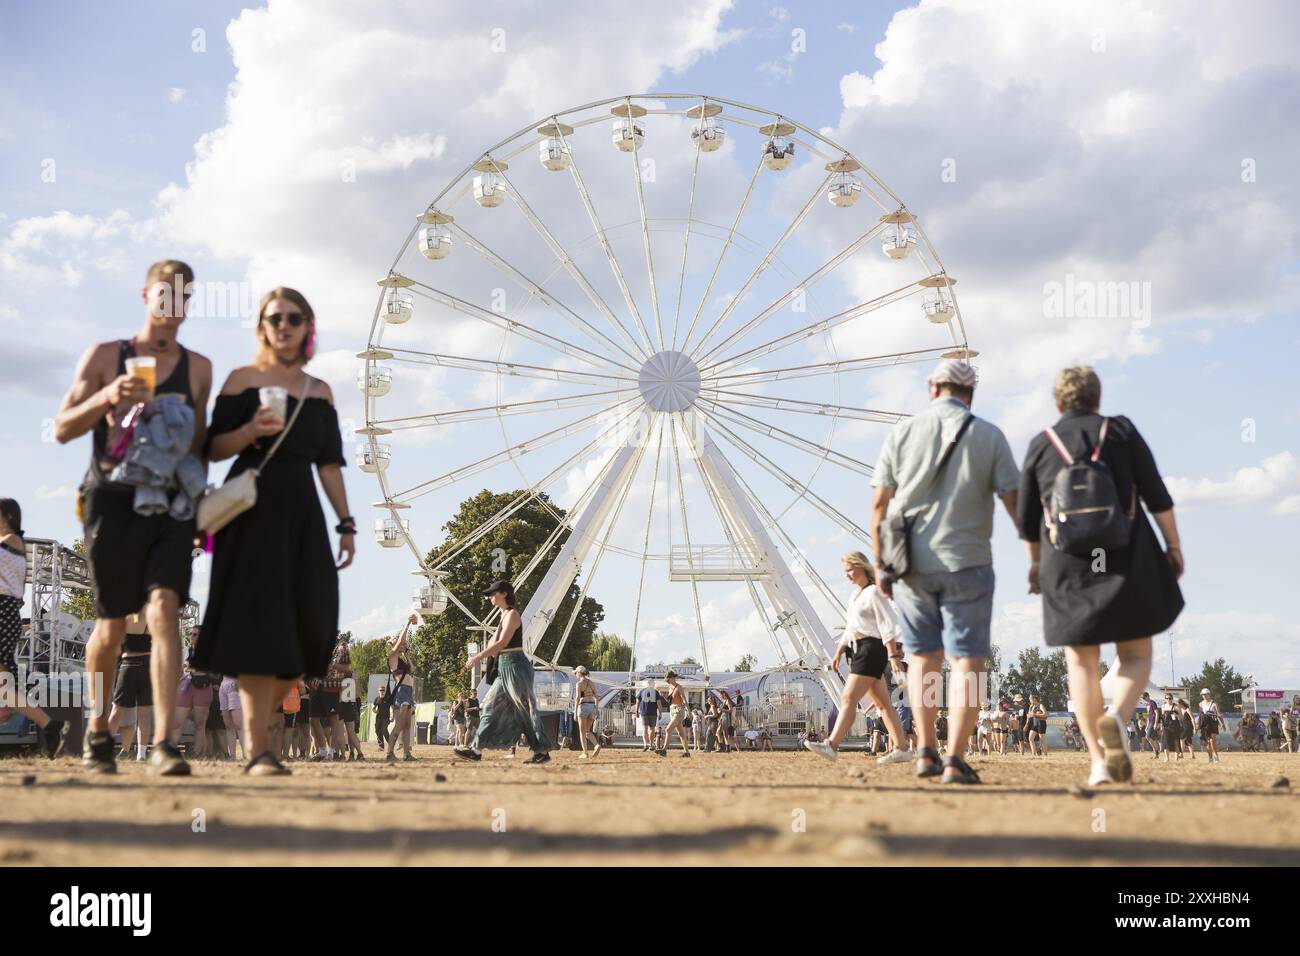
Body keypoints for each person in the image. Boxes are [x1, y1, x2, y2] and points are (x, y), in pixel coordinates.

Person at [54, 260, 214, 775]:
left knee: (166, 610)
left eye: (183, 297)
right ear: (145, 295)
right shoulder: (105, 356)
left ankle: (164, 743)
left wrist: (205, 510)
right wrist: (107, 395)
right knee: (111, 628)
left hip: (171, 504)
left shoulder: (199, 369)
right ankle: (98, 732)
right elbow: (61, 428)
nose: (173, 305)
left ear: (189, 305)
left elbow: (197, 447)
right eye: (164, 294)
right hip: (114, 499)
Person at [192, 287, 355, 775]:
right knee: (255, 622)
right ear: (262, 327)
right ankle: (258, 749)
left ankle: (263, 737)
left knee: (314, 614)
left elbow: (329, 464)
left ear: (308, 325)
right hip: (249, 511)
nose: (283, 325)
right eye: (273, 318)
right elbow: (212, 449)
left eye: (293, 317)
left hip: (303, 511)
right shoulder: (241, 380)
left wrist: (345, 522)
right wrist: (249, 432)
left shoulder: (320, 391)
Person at [1019, 366, 1184, 787]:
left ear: (1058, 403)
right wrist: (1173, 546)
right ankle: (1118, 718)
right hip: (1124, 555)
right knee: (1135, 653)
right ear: (1098, 397)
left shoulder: (1041, 445)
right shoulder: (1122, 432)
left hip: (1068, 562)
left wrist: (1036, 563)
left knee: (1082, 662)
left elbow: (1026, 519)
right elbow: (1156, 494)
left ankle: (1098, 762)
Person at [871, 359, 1020, 784]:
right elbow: (1014, 500)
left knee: (923, 660)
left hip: (913, 565)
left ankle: (925, 752)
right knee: (968, 659)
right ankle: (956, 758)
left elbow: (879, 506)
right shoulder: (989, 435)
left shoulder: (901, 433)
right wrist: (1036, 552)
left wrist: (882, 562)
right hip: (969, 561)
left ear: (932, 387)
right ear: (972, 393)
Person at [806, 552, 911, 764]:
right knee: (883, 705)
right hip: (858, 650)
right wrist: (838, 653)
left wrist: (892, 655)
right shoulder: (855, 596)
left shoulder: (874, 592)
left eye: (850, 570)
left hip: (872, 649)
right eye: (845, 571)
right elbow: (850, 629)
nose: (847, 575)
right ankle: (901, 748)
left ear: (862, 567)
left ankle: (832, 745)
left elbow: (887, 624)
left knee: (848, 698)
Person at [0, 498, 68, 757]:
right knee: (5, 686)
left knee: (4, 685)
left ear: (5, 515)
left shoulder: (12, 541)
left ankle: (50, 726)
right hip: (5, 614)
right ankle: (49, 726)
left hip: (3, 613)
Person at [457, 580, 551, 764]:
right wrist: (484, 656)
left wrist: (477, 658)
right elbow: (493, 644)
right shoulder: (502, 616)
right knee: (491, 706)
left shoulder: (512, 615)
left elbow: (502, 643)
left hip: (516, 666)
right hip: (504, 666)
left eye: (493, 593)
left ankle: (541, 750)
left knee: (525, 709)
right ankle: (476, 749)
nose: (489, 597)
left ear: (504, 594)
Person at [107, 611, 152, 760]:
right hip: (147, 667)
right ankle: (141, 754)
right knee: (144, 715)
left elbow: (116, 649)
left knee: (116, 711)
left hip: (128, 666)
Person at [385, 615, 418, 762]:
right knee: (399, 725)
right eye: (396, 641)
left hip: (408, 691)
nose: (401, 643)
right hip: (402, 692)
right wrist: (407, 624)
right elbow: (400, 642)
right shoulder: (392, 656)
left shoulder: (401, 659)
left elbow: (413, 669)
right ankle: (389, 753)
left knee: (407, 726)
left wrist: (408, 656)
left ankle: (406, 754)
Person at [659, 670, 691, 757]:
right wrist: (664, 697)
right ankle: (687, 752)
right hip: (672, 710)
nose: (667, 681)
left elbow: (684, 700)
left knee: (668, 729)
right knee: (681, 734)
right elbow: (670, 701)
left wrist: (689, 712)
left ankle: (664, 750)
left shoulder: (679, 687)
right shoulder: (670, 687)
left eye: (668, 679)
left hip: (678, 711)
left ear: (673, 678)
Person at [572, 665, 602, 758]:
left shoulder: (579, 684)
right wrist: (596, 709)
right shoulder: (591, 683)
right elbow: (597, 696)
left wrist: (575, 711)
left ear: (580, 673)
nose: (576, 674)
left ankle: (585, 753)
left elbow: (577, 698)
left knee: (582, 731)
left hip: (583, 707)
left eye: (576, 673)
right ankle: (596, 745)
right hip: (592, 706)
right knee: (587, 731)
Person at [217, 675, 243, 761]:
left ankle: (246, 755)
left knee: (239, 726)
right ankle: (232, 756)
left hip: (235, 683)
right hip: (224, 684)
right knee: (228, 726)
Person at [636, 679, 663, 752]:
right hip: (653, 713)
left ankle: (645, 744)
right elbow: (659, 703)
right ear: (653, 684)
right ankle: (651, 745)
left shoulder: (642, 691)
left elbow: (638, 702)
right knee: (652, 729)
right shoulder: (655, 692)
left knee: (644, 729)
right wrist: (660, 713)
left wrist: (636, 711)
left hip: (644, 712)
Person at [1199, 690, 1223, 763]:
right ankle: (1210, 758)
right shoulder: (1200, 704)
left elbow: (1219, 714)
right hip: (1205, 724)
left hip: (1213, 723)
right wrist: (1198, 725)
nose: (1204, 696)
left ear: (1209, 694)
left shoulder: (1214, 704)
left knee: (1212, 740)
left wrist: (1222, 724)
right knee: (1208, 742)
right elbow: (1201, 715)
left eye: (1205, 694)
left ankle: (1216, 756)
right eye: (1203, 695)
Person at [372, 685, 392, 751]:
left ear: (385, 691)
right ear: (378, 691)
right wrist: (375, 711)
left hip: (386, 718)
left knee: (384, 730)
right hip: (378, 718)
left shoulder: (388, 698)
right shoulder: (377, 699)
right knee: (378, 731)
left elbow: (393, 708)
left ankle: (391, 744)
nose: (382, 691)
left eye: (383, 690)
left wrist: (393, 717)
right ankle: (381, 747)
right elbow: (373, 708)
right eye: (380, 690)